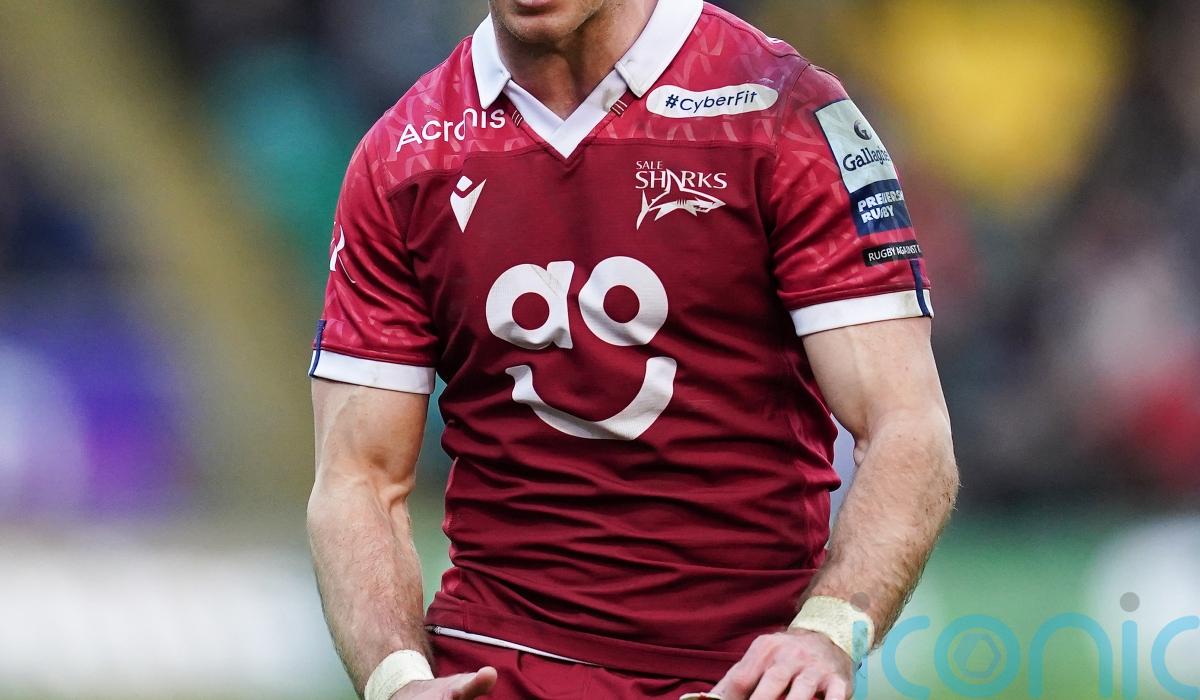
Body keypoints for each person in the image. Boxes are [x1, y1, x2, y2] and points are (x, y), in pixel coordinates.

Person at [306, 1, 959, 698]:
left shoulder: (783, 115)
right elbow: (357, 478)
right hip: (501, 665)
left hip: (740, 675)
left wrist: (826, 635)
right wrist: (398, 681)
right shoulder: (403, 158)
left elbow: (906, 426)